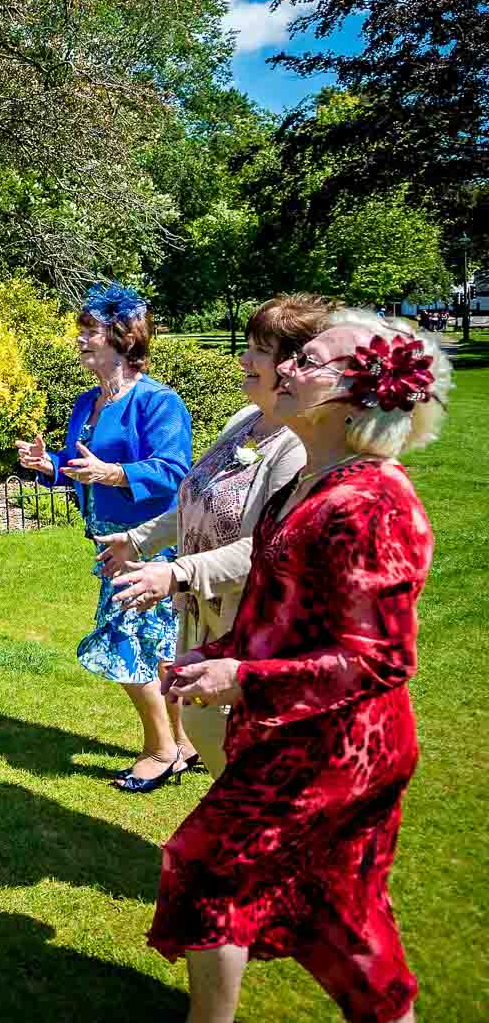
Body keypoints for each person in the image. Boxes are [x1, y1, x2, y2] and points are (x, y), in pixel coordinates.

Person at [149, 312, 449, 1023]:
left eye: (306, 362)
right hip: (300, 735)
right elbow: (280, 617)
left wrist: (242, 681)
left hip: (340, 751)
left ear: (354, 394)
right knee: (348, 923)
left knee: (207, 868)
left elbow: (380, 658)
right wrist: (216, 655)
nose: (282, 369)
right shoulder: (309, 483)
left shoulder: (372, 503)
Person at [93, 294, 334, 774]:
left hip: (250, 626)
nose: (244, 359)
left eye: (258, 350)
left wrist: (177, 572)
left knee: (252, 763)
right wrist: (138, 539)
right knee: (213, 744)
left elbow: (273, 547)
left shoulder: (301, 446)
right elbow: (194, 496)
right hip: (204, 617)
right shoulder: (242, 423)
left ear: (296, 365)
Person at [15, 282, 193, 793]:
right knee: (157, 646)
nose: (80, 341)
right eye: (81, 332)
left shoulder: (157, 402)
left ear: (122, 338)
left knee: (125, 642)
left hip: (150, 542)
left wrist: (114, 474)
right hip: (106, 540)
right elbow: (79, 469)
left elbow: (175, 471)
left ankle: (160, 751)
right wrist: (46, 465)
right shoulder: (86, 403)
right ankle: (180, 744)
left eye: (89, 332)